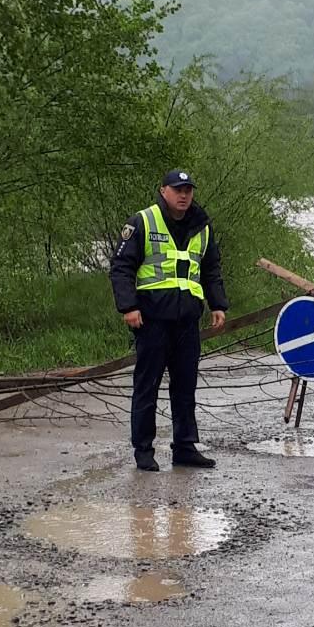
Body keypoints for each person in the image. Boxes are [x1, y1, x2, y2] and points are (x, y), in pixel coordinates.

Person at [109, 170, 228, 471]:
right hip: (151, 319)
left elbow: (211, 268)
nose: (184, 195)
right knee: (147, 386)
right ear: (163, 191)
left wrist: (218, 305)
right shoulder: (143, 221)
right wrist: (128, 307)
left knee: (185, 387)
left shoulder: (202, 226)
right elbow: (121, 267)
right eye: (178, 189)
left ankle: (185, 447)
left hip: (187, 320)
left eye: (188, 189)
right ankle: (144, 450)